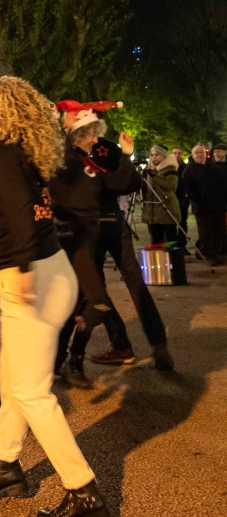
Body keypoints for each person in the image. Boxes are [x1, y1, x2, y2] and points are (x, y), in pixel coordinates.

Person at [0, 76, 108, 517]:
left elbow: (21, 209)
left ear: (0, 114)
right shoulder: (11, 153)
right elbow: (6, 210)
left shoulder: (0, 151)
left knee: (30, 391)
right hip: (43, 270)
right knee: (14, 382)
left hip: (33, 275)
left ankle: (83, 490)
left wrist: (21, 268)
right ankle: (6, 468)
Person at [49, 100, 135, 390]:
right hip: (71, 237)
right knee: (89, 302)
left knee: (83, 302)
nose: (96, 141)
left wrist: (125, 155)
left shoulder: (91, 160)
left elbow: (120, 183)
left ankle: (66, 362)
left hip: (90, 236)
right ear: (77, 134)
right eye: (92, 135)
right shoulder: (63, 156)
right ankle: (64, 360)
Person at [93, 138, 174, 370]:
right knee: (134, 282)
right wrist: (125, 157)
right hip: (114, 222)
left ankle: (122, 345)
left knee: (96, 289)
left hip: (95, 225)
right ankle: (158, 345)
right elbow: (131, 182)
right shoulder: (106, 146)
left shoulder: (79, 146)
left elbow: (125, 182)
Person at [183, 145, 227, 267]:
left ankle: (216, 253)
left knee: (219, 231)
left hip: (218, 205)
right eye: (196, 153)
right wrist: (197, 199)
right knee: (205, 233)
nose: (199, 155)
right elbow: (187, 189)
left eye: (201, 152)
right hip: (201, 207)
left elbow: (222, 185)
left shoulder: (213, 168)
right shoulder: (189, 170)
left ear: (205, 154)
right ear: (192, 155)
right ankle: (207, 255)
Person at [141, 146, 180, 244]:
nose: (154, 157)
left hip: (166, 209)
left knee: (170, 241)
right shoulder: (149, 169)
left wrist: (154, 177)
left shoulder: (170, 168)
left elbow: (170, 186)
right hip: (152, 212)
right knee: (156, 242)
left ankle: (174, 259)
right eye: (152, 155)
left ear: (163, 155)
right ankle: (159, 259)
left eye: (157, 155)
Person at [172, 147, 190, 249]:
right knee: (171, 224)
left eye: (179, 153)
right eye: (175, 153)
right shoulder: (169, 167)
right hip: (171, 199)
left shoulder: (185, 168)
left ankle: (182, 246)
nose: (177, 155)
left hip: (183, 199)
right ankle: (173, 245)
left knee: (183, 223)